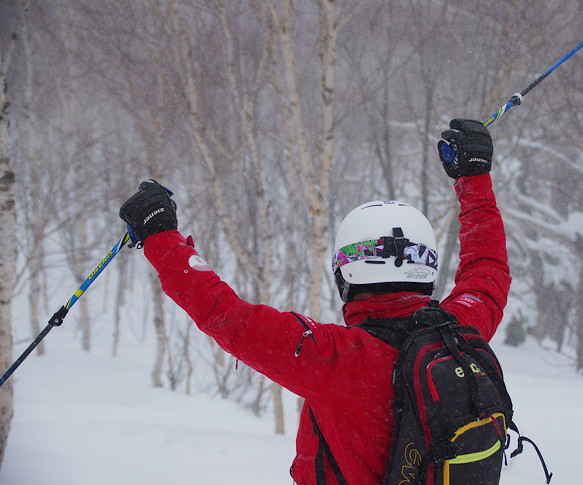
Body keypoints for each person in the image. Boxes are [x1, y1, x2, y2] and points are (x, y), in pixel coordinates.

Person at [119, 118, 511, 485]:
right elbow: (487, 270)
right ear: (427, 265)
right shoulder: (463, 329)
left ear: (345, 274)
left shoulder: (335, 358)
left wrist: (160, 235)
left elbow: (225, 314)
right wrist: (473, 178)